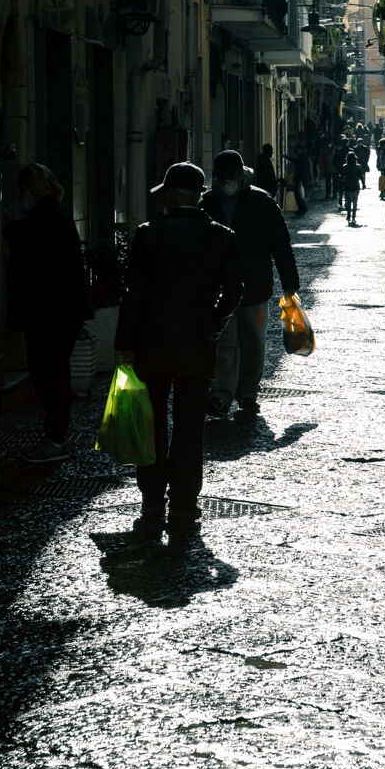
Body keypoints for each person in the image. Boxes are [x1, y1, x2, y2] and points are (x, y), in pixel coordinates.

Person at [114, 162, 242, 533]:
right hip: (197, 345)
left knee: (151, 421)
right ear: (199, 195)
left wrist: (124, 343)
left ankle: (152, 499)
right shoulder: (221, 236)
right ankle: (184, 504)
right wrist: (213, 324)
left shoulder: (148, 234)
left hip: (151, 344)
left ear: (170, 194)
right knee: (189, 426)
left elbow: (133, 295)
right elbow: (235, 290)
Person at [3, 163, 92, 464]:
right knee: (50, 371)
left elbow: (32, 258)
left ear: (32, 189)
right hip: (57, 311)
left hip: (51, 312)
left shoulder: (46, 218)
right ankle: (54, 435)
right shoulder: (54, 215)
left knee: (49, 373)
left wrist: (15, 225)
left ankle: (56, 439)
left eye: (23, 190)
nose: (21, 196)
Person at [202, 150, 299, 417]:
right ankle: (221, 395)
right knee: (225, 343)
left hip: (255, 285)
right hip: (220, 288)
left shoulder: (262, 202)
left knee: (254, 342)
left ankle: (248, 393)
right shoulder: (208, 202)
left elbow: (281, 245)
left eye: (229, 176)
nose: (225, 182)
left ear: (239, 173)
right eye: (220, 177)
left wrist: (290, 285)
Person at [341, 150, 362, 225]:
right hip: (356, 186)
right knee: (355, 203)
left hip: (347, 186)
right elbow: (361, 176)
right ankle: (353, 218)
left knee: (348, 202)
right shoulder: (358, 167)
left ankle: (348, 216)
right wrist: (363, 184)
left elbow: (342, 177)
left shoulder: (345, 166)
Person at [332, 134, 349, 210]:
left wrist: (338, 168)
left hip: (340, 172)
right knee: (347, 188)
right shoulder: (350, 151)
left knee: (340, 188)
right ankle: (347, 202)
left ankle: (340, 202)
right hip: (348, 172)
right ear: (347, 143)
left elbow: (334, 161)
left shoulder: (338, 151)